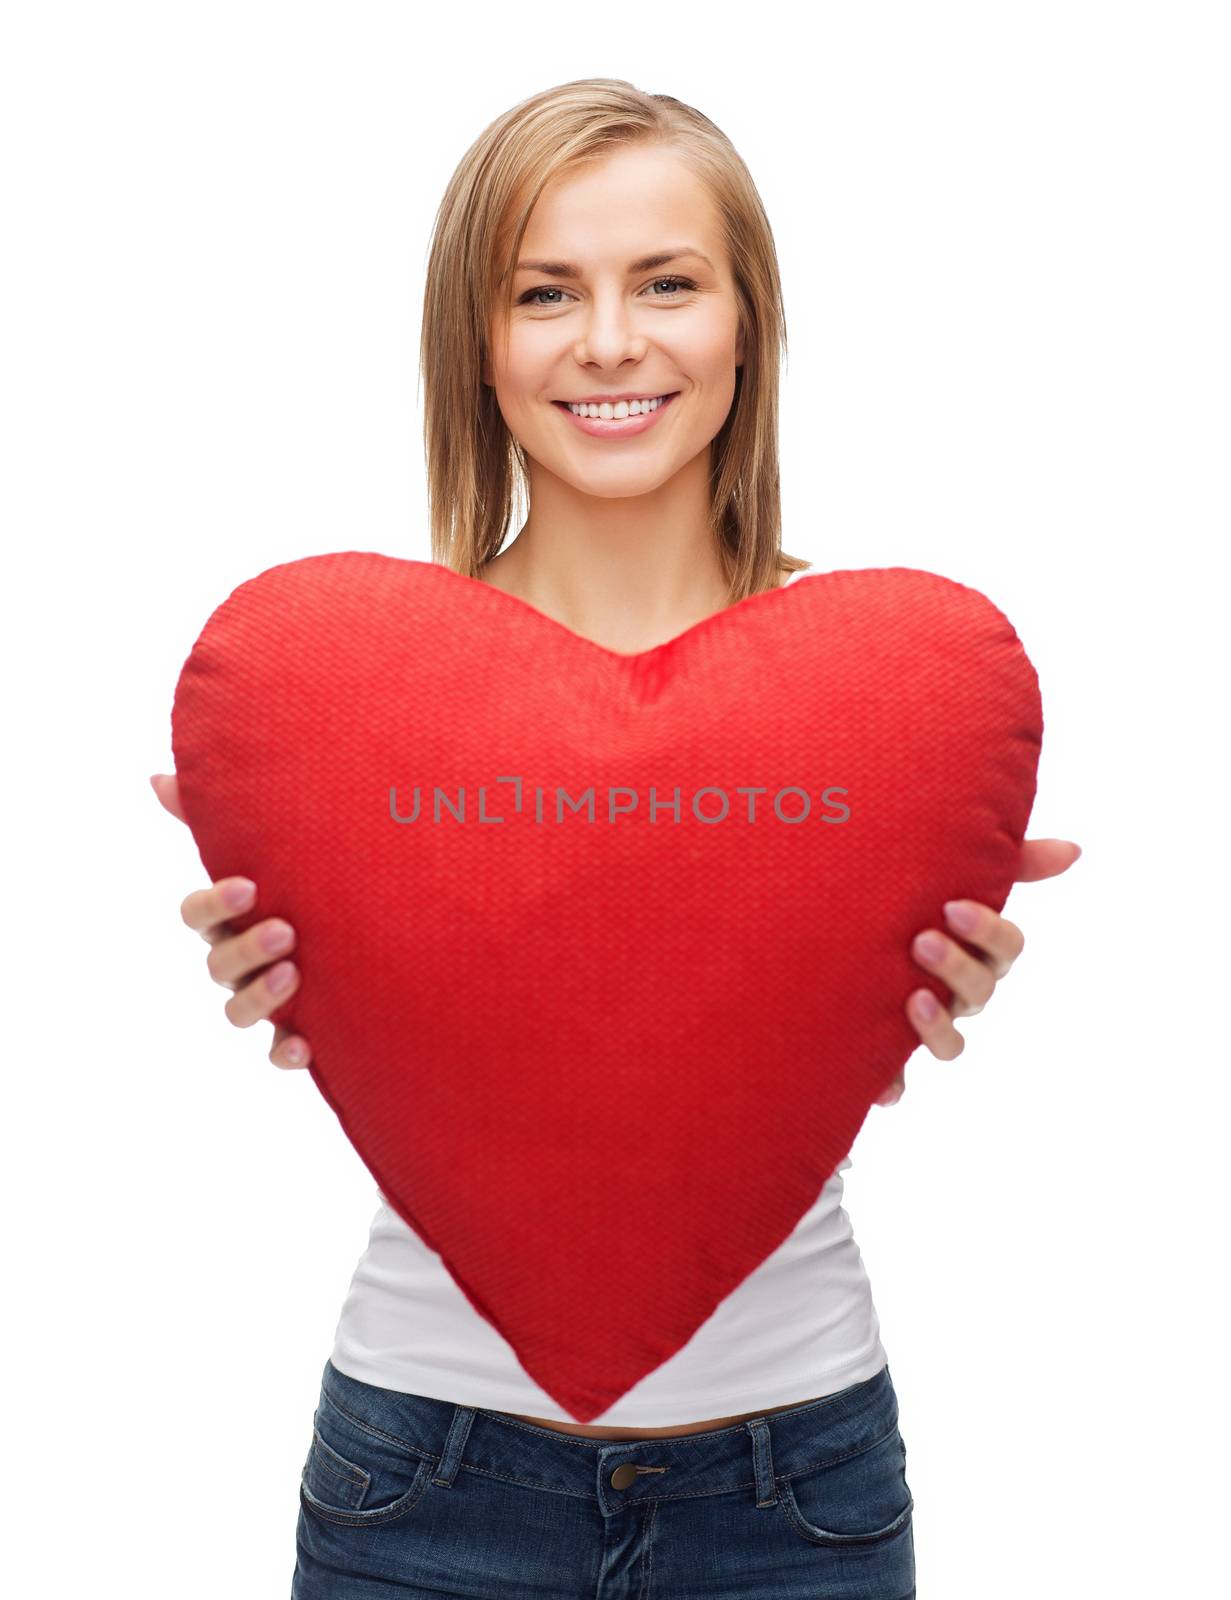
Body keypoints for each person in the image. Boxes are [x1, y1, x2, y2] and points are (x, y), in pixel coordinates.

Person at [152, 78, 1079, 1599]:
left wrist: (911, 961)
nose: (608, 342)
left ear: (746, 324)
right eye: (543, 292)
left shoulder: (881, 700)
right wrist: (309, 965)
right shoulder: (356, 702)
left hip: (800, 1492)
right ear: (480, 344)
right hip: (422, 1483)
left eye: (666, 282)